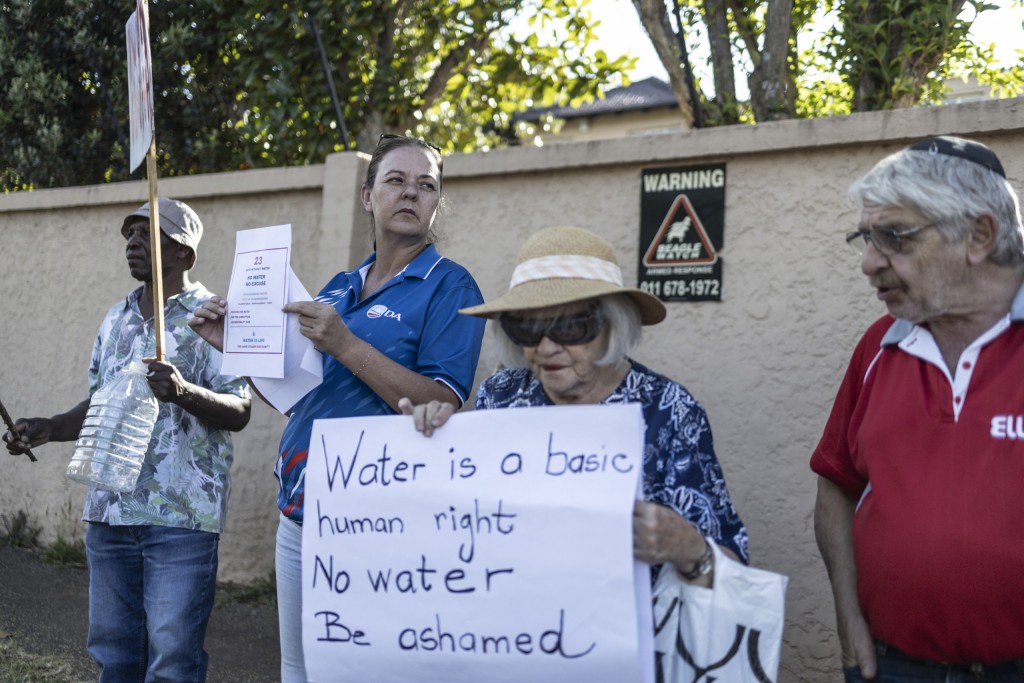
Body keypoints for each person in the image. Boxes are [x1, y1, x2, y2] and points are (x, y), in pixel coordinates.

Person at [189, 134, 486, 682]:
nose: (410, 193)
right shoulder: (338, 288)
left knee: (363, 671)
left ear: (436, 204)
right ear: (367, 196)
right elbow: (298, 399)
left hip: (381, 518)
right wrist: (235, 347)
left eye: (426, 186)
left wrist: (346, 344)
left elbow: (441, 402)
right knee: (299, 670)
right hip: (302, 507)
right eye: (396, 180)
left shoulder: (451, 285)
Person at [400, 225, 748, 583]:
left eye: (569, 327)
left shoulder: (670, 410)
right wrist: (436, 445)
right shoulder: (500, 396)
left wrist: (689, 550)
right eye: (527, 328)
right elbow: (466, 515)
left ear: (613, 325)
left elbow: (735, 566)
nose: (547, 347)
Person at [3, 197, 252, 681]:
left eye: (147, 234)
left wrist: (183, 392)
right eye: (130, 235)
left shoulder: (214, 317)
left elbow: (240, 411)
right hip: (109, 513)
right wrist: (50, 427)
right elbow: (100, 403)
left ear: (183, 252)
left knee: (172, 663)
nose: (133, 243)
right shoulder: (115, 318)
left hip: (180, 518)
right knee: (114, 657)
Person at [811, 136, 1024, 681]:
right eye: (866, 238)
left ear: (978, 236)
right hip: (892, 666)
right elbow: (836, 486)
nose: (869, 263)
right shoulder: (879, 346)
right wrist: (847, 616)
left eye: (895, 238)